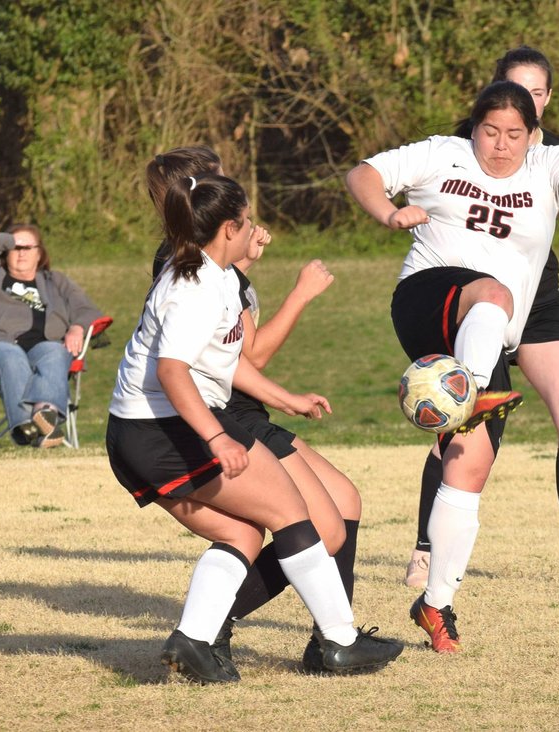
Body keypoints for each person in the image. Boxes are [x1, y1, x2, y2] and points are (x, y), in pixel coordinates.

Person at [346, 63, 559, 653]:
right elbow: (363, 174)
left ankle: (436, 604)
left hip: (489, 331)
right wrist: (388, 212)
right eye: (489, 131)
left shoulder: (547, 167)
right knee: (494, 292)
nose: (500, 144)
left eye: (512, 134)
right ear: (473, 128)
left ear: (532, 133)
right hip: (428, 298)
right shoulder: (442, 154)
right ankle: (473, 390)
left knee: (469, 463)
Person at [107, 171, 402, 683]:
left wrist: (285, 399)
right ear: (227, 228)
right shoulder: (194, 285)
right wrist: (218, 437)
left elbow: (223, 362)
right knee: (293, 512)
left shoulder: (218, 275)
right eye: (247, 223)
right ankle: (338, 641)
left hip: (151, 429)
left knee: (243, 532)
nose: (254, 232)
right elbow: (171, 371)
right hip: (161, 428)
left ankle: (194, 640)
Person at [403, 46, 559, 588]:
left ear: (547, 99)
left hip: (538, 301)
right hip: (477, 298)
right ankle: (424, 551)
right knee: (465, 422)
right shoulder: (466, 150)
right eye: (515, 89)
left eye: (536, 92)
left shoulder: (555, 158)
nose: (525, 100)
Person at [146, 148, 363, 674]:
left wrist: (244, 263)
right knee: (317, 528)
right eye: (221, 181)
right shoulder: (188, 266)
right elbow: (251, 355)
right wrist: (301, 294)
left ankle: (332, 635)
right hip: (230, 414)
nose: (235, 195)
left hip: (246, 408)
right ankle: (223, 627)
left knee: (345, 503)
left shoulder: (219, 265)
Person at [0, 225, 102, 447]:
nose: (21, 252)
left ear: (39, 253)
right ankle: (27, 427)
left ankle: (45, 414)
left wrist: (77, 327)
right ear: (5, 250)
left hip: (42, 344)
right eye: (14, 247)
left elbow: (87, 310)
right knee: (11, 355)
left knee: (56, 351)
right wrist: (5, 239)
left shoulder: (55, 281)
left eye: (27, 247)